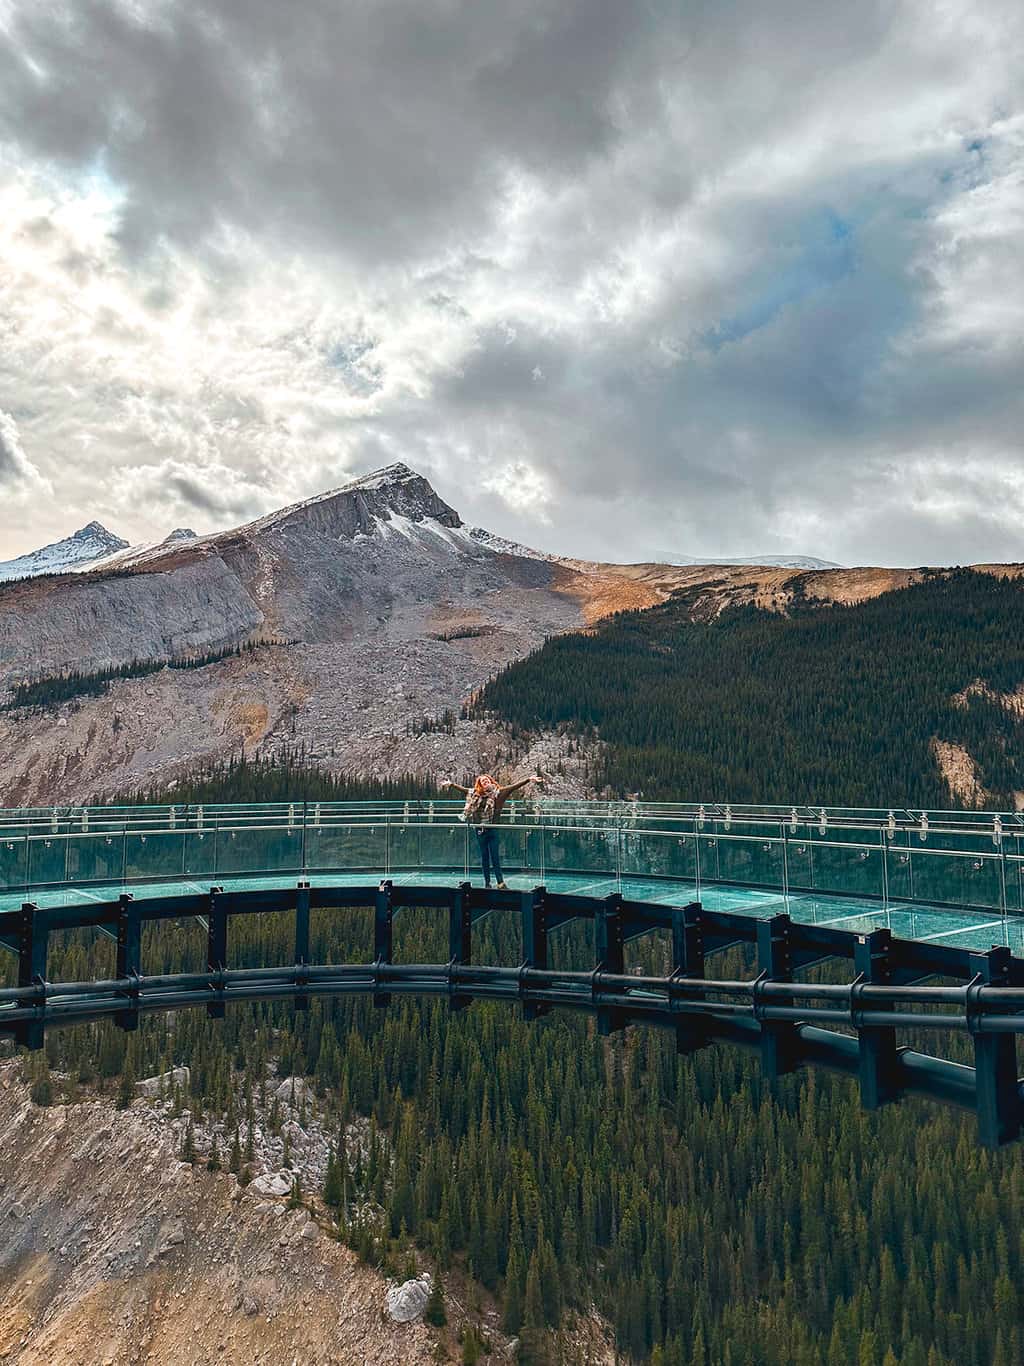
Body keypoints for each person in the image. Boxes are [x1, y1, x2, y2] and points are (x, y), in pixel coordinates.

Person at [441, 771, 545, 889]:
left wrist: (529, 779)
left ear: (491, 781)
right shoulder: (475, 794)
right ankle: (487, 883)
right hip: (480, 829)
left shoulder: (499, 793)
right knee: (485, 856)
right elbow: (464, 790)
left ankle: (500, 883)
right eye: (482, 781)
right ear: (480, 784)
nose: (485, 782)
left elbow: (515, 786)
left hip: (493, 829)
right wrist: (451, 784)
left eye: (487, 780)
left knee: (495, 855)